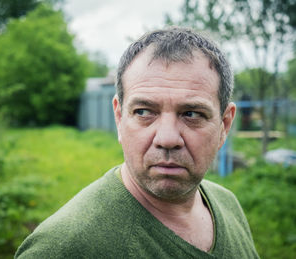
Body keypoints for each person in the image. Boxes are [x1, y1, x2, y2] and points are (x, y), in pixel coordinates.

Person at [15, 27, 259, 258]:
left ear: (224, 125)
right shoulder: (63, 247)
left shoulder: (228, 205)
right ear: (119, 118)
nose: (167, 139)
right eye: (144, 112)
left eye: (192, 114)